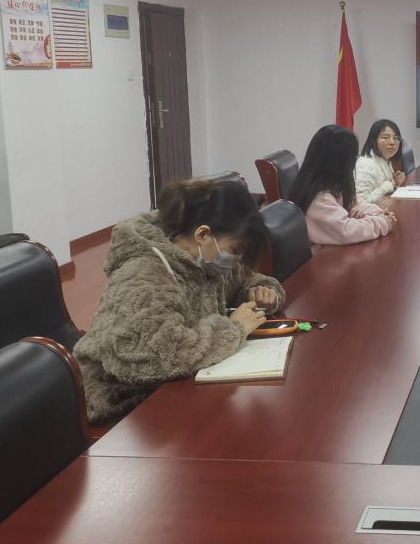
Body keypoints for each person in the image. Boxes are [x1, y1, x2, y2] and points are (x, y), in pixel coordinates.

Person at [73, 179, 285, 424]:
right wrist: (233, 329)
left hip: (168, 387)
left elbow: (246, 277)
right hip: (117, 400)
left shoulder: (207, 261)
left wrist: (260, 291)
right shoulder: (144, 274)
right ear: (203, 234)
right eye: (235, 250)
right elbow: (153, 356)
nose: (236, 260)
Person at [291, 124, 396, 247]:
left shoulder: (332, 185)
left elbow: (354, 203)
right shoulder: (319, 198)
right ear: (339, 162)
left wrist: (379, 214)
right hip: (321, 256)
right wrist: (383, 223)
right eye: (353, 157)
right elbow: (346, 231)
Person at [355, 119, 407, 206]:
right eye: (385, 137)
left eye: (396, 138)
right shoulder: (366, 164)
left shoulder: (385, 158)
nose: (392, 142)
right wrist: (388, 185)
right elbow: (361, 203)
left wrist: (395, 183)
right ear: (373, 140)